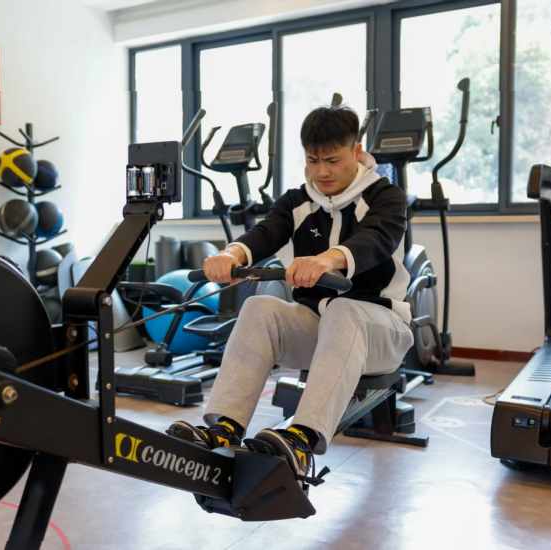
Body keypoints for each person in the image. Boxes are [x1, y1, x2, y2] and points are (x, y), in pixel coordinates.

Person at [167, 104, 414, 483]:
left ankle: (301, 440)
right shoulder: (297, 201)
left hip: (382, 330)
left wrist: (328, 259)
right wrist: (231, 254)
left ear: (357, 151)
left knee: (345, 310)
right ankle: (225, 427)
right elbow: (265, 232)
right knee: (259, 307)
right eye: (313, 161)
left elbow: (376, 239)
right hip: (320, 330)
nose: (322, 172)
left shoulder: (387, 196)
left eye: (332, 160)